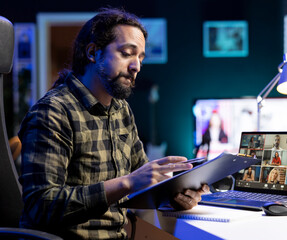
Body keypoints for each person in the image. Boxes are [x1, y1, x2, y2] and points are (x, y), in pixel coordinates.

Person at [18, 8, 209, 240]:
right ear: (93, 53)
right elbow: (41, 206)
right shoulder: (52, 112)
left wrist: (176, 193)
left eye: (140, 57)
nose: (136, 66)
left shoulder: (121, 109)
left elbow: (144, 181)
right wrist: (127, 182)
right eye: (127, 53)